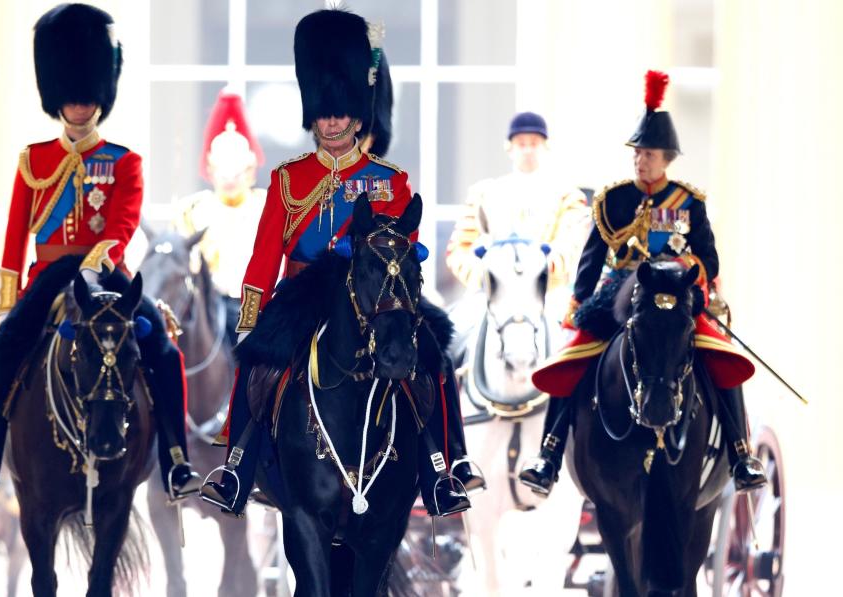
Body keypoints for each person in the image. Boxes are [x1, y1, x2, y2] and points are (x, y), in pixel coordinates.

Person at [199, 8, 482, 518]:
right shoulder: (289, 179)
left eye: (339, 113)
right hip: (303, 294)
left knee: (434, 357)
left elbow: (406, 242)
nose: (330, 122)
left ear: (357, 114)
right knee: (258, 366)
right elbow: (266, 256)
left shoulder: (389, 180)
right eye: (323, 114)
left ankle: (445, 468)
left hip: (372, 293)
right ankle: (237, 468)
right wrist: (251, 319)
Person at [0, 3, 203, 509]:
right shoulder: (34, 160)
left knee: (161, 348)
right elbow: (12, 236)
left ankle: (177, 459)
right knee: (4, 350)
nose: (78, 107)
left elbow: (122, 223)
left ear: (100, 97)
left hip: (106, 273)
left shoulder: (124, 161)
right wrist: (9, 299)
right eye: (70, 99)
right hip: (49, 275)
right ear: (58, 100)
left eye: (86, 98)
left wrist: (97, 262)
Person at [517, 70, 767, 496]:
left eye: (648, 154)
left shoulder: (689, 202)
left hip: (676, 293)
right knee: (572, 357)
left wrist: (685, 269)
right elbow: (592, 258)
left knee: (722, 356)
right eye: (636, 153)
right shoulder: (612, 199)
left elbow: (707, 258)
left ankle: (740, 453)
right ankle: (550, 453)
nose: (640, 160)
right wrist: (579, 300)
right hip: (620, 294)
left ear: (667, 158)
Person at [445, 111, 588, 311]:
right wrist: (485, 277)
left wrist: (533, 273)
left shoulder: (569, 196)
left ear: (545, 146)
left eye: (534, 143)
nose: (528, 150)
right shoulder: (483, 193)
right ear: (509, 147)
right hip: (491, 295)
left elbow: (569, 247)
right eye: (521, 143)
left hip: (549, 297)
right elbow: (459, 249)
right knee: (454, 334)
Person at [176, 89, 267, 338]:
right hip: (209, 305)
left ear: (249, 171)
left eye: (236, 174)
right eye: (223, 173)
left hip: (257, 305)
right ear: (211, 170)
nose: (229, 181)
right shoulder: (193, 210)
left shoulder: (265, 206)